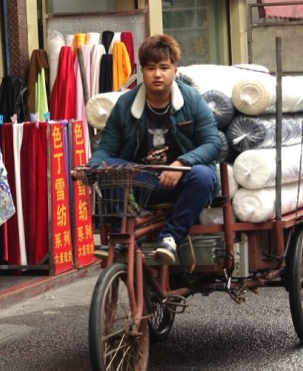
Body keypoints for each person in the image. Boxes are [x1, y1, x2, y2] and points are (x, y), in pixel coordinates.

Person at [86, 34, 220, 264]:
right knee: (110, 169)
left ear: (174, 70)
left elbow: (212, 143)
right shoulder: (125, 104)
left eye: (164, 67)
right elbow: (108, 146)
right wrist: (90, 168)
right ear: (142, 71)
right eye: (150, 68)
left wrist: (181, 164)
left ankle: (171, 237)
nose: (157, 74)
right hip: (143, 180)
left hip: (182, 181)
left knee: (205, 175)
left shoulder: (192, 100)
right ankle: (122, 238)